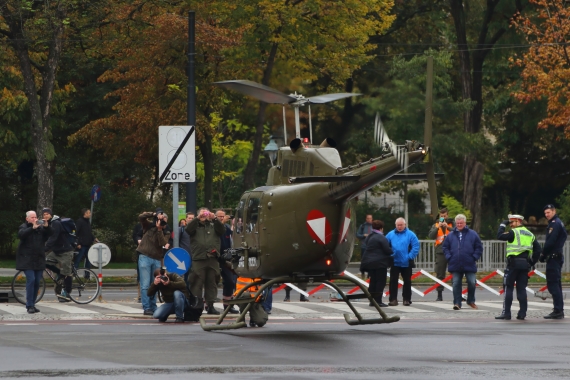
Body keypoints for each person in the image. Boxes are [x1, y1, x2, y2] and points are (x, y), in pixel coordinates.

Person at [495, 214, 542, 320]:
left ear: (518, 222)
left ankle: (506, 313)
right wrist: (531, 262)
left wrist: (503, 224)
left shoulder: (514, 232)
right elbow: (538, 250)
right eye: (509, 222)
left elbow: (499, 236)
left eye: (512, 222)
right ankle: (522, 314)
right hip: (525, 265)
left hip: (513, 264)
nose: (510, 224)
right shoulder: (530, 234)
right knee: (521, 289)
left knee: (508, 288)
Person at [186, 207, 225, 315]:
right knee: (196, 281)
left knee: (212, 282)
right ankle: (197, 305)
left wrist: (215, 218)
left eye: (206, 213)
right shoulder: (195, 226)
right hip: (199, 258)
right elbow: (188, 229)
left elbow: (222, 230)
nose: (205, 215)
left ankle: (210, 305)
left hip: (212, 257)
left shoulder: (214, 225)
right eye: (203, 214)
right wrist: (198, 219)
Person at [442, 214, 483, 311]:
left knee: (472, 282)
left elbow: (479, 247)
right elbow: (445, 247)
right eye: (458, 223)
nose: (459, 225)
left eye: (461, 223)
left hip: (469, 263)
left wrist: (474, 257)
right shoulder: (450, 235)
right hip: (455, 263)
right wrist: (449, 257)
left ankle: (471, 301)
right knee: (456, 283)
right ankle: (457, 303)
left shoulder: (472, 234)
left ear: (465, 223)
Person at [16, 211, 52, 313]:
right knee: (31, 280)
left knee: (37, 282)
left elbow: (50, 234)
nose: (34, 219)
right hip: (27, 259)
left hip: (38, 259)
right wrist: (32, 228)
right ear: (27, 219)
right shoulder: (24, 227)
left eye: (35, 217)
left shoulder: (40, 228)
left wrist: (46, 226)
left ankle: (33, 303)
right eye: (32, 217)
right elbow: (21, 235)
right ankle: (29, 305)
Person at [137, 209, 169, 315]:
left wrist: (160, 229)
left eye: (164, 221)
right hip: (145, 256)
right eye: (161, 220)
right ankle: (147, 307)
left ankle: (153, 305)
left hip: (156, 259)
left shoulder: (166, 232)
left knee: (155, 283)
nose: (162, 222)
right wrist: (154, 214)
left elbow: (162, 243)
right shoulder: (148, 226)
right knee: (145, 284)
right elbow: (141, 217)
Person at [540, 204, 567, 319]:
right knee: (557, 284)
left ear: (554, 211)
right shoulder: (559, 223)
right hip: (557, 256)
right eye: (545, 213)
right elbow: (564, 236)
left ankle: (558, 310)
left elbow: (550, 242)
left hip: (553, 257)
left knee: (553, 285)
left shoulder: (554, 224)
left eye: (548, 213)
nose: (546, 215)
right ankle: (558, 309)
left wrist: (543, 254)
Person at [43, 208, 75, 302]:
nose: (45, 216)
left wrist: (45, 249)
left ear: (51, 215)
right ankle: (60, 274)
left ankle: (67, 293)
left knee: (67, 272)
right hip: (56, 251)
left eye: (47, 214)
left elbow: (53, 238)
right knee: (45, 261)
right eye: (44, 214)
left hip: (65, 251)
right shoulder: (48, 224)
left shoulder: (56, 223)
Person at [386, 218, 419, 306]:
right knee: (393, 281)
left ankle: (406, 299)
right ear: (395, 225)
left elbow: (415, 247)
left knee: (407, 281)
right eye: (398, 225)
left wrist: (409, 256)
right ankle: (393, 299)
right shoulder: (390, 234)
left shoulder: (411, 235)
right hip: (394, 261)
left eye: (401, 225)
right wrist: (390, 255)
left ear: (405, 225)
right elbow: (385, 246)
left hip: (407, 262)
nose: (399, 227)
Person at [360, 220, 393, 307]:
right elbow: (387, 250)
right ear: (381, 228)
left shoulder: (369, 237)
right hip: (380, 263)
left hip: (369, 262)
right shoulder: (381, 237)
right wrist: (392, 250)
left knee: (373, 281)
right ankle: (378, 301)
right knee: (380, 282)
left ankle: (372, 301)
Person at [215, 209, 238, 314]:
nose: (222, 218)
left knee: (229, 281)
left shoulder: (227, 228)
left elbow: (231, 239)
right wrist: (222, 222)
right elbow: (218, 231)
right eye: (219, 216)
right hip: (215, 258)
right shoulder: (213, 226)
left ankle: (228, 305)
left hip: (225, 258)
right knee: (212, 282)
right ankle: (209, 305)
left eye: (223, 216)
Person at [428, 207, 453, 301]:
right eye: (441, 216)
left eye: (445, 216)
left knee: (455, 273)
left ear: (447, 215)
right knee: (440, 273)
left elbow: (457, 232)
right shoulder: (436, 224)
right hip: (440, 251)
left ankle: (457, 294)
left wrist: (447, 226)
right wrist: (438, 227)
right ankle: (439, 294)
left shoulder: (452, 223)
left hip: (452, 251)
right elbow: (430, 236)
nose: (443, 218)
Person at [74, 208, 98, 273]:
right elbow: (76, 232)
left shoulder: (87, 222)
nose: (90, 214)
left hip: (88, 244)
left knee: (89, 260)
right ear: (85, 213)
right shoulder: (80, 221)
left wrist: (94, 238)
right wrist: (77, 243)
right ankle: (74, 274)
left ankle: (87, 275)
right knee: (77, 260)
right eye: (89, 213)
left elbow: (89, 233)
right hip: (81, 245)